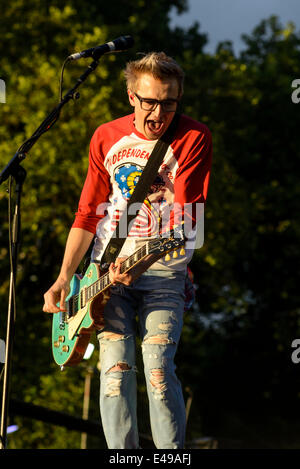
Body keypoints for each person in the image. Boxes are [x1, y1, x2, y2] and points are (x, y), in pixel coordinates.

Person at [43, 52, 212, 449]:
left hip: (164, 271)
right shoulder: (106, 136)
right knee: (115, 372)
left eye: (169, 102)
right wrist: (64, 278)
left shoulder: (193, 137)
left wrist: (145, 261)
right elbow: (87, 214)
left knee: (156, 368)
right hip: (103, 273)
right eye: (150, 101)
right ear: (131, 96)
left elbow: (188, 219)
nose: (159, 112)